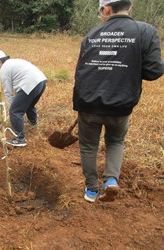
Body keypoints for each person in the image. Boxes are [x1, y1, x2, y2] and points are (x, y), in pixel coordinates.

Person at [73, 0, 164, 203]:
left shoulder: (92, 34)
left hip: (88, 103)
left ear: (106, 9)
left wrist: (80, 102)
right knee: (115, 141)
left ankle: (91, 190)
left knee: (88, 147)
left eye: (101, 12)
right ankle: (110, 180)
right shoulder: (145, 31)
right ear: (128, 7)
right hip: (121, 103)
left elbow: (81, 72)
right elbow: (154, 71)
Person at [0, 50, 47, 147]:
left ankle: (20, 139)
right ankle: (33, 122)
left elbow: (8, 93)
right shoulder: (13, 62)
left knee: (15, 111)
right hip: (41, 81)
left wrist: (13, 111)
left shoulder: (3, 70)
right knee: (29, 103)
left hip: (30, 83)